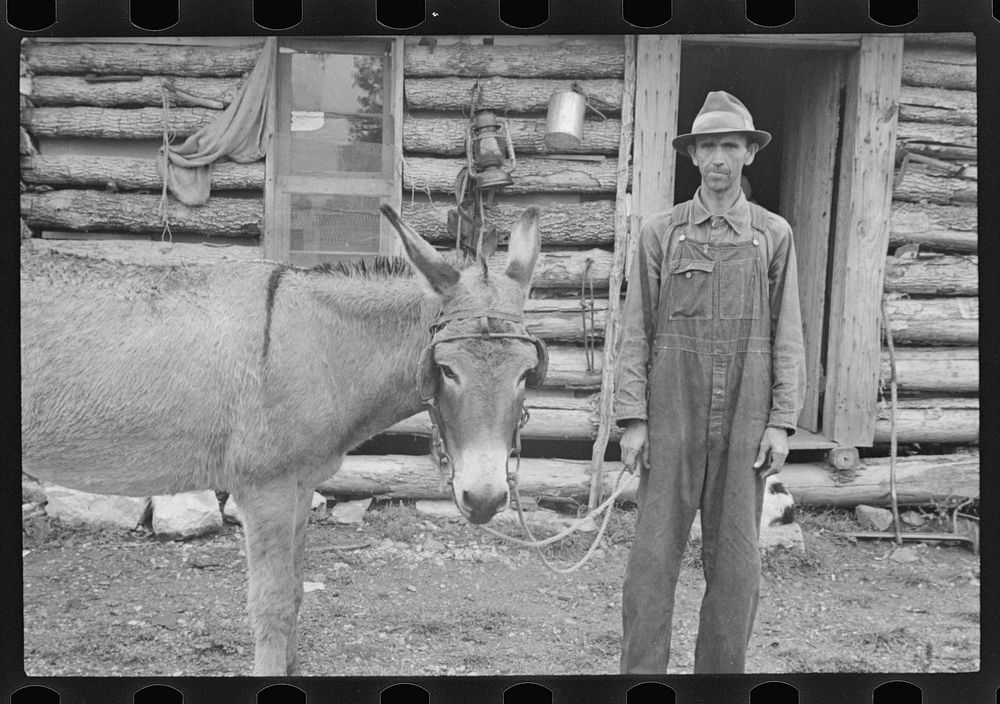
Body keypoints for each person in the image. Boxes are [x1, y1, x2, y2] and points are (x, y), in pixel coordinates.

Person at [614, 91, 807, 674]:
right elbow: (636, 331)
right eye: (707, 147)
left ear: (749, 153)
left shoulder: (773, 235)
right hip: (671, 411)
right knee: (651, 561)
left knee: (737, 565)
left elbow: (789, 333)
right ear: (693, 156)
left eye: (730, 145)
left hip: (747, 417)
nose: (718, 157)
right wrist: (633, 419)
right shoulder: (660, 233)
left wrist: (780, 421)